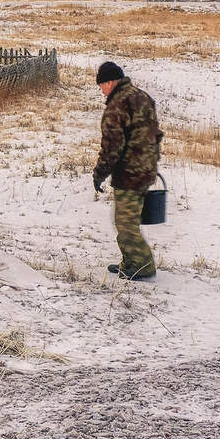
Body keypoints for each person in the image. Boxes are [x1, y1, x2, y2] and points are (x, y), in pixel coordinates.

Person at [92, 61, 162, 280]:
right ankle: (130, 261)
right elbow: (155, 133)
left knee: (125, 222)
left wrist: (99, 173)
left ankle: (142, 266)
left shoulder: (117, 106)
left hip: (129, 173)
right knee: (125, 219)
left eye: (102, 84)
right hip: (146, 167)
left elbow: (112, 147)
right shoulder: (142, 97)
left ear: (111, 82)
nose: (101, 89)